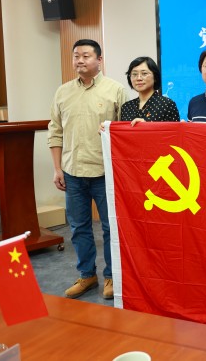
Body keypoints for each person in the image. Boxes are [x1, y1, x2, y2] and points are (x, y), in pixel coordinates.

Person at [48, 39, 127, 300]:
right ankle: (87, 275)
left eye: (86, 55)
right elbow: (55, 132)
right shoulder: (63, 92)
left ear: (99, 60)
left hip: (105, 173)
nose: (80, 60)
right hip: (72, 172)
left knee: (110, 228)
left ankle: (112, 277)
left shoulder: (115, 90)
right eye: (76, 56)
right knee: (78, 227)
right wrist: (57, 168)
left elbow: (124, 134)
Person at [119, 56, 179, 124]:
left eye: (144, 73)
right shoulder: (126, 107)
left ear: (155, 77)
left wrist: (147, 126)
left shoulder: (167, 104)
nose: (139, 78)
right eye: (134, 74)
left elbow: (174, 130)